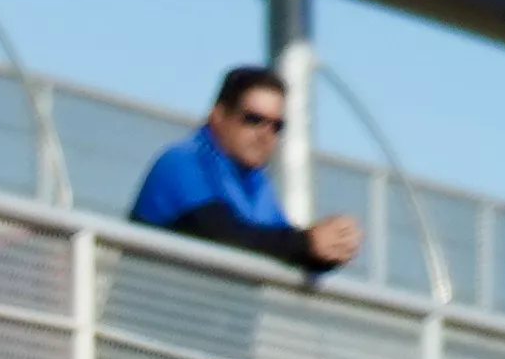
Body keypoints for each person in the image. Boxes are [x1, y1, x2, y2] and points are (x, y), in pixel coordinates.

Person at [127, 64, 360, 280]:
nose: (265, 135)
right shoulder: (181, 161)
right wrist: (307, 243)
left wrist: (328, 249)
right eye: (253, 119)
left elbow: (278, 244)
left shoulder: (256, 183)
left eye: (276, 126)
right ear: (218, 116)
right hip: (144, 320)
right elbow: (220, 235)